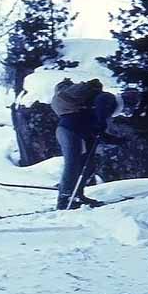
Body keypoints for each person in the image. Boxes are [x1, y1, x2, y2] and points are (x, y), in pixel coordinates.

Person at [50, 78, 119, 210]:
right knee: (73, 163)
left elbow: (95, 130)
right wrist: (101, 125)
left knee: (87, 164)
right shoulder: (105, 100)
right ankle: (65, 198)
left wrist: (111, 138)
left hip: (73, 131)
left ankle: (77, 194)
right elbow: (96, 124)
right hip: (70, 131)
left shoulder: (90, 107)